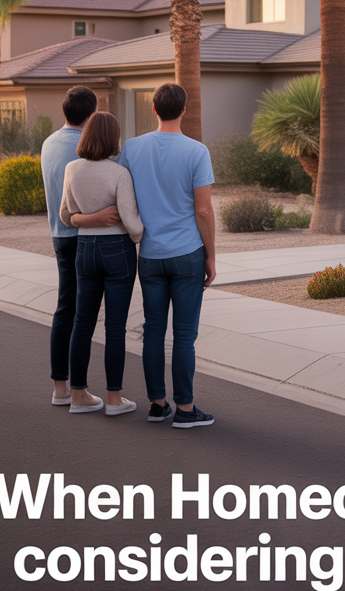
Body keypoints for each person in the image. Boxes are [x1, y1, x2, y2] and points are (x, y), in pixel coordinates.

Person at [119, 83, 216, 427]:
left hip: (149, 254)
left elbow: (123, 196)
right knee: (185, 335)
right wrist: (211, 256)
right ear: (184, 110)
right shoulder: (197, 151)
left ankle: (158, 405)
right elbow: (203, 210)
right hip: (187, 253)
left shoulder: (131, 148)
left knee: (154, 330)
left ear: (155, 109)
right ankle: (186, 410)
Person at [40, 86, 120, 407]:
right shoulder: (89, 147)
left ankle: (60, 388)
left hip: (59, 235)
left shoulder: (48, 144)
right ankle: (80, 391)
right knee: (84, 316)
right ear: (91, 116)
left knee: (65, 309)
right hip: (87, 236)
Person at [59, 112, 144, 416]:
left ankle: (79, 396)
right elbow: (133, 224)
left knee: (82, 323)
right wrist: (142, 235)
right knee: (115, 327)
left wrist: (87, 220)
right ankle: (114, 399)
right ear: (112, 138)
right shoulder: (119, 173)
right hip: (116, 251)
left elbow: (65, 216)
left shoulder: (72, 169)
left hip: (84, 249)